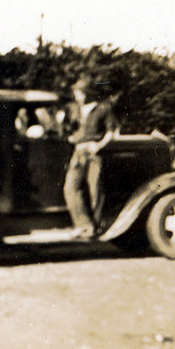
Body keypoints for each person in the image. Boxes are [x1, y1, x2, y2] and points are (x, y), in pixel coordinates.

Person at [62, 75, 121, 238]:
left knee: (95, 189)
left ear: (87, 93)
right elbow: (68, 129)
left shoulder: (103, 108)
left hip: (95, 153)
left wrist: (99, 145)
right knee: (70, 188)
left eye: (79, 92)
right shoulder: (75, 110)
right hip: (78, 152)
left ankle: (95, 227)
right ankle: (83, 225)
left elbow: (111, 131)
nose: (76, 96)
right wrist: (71, 137)